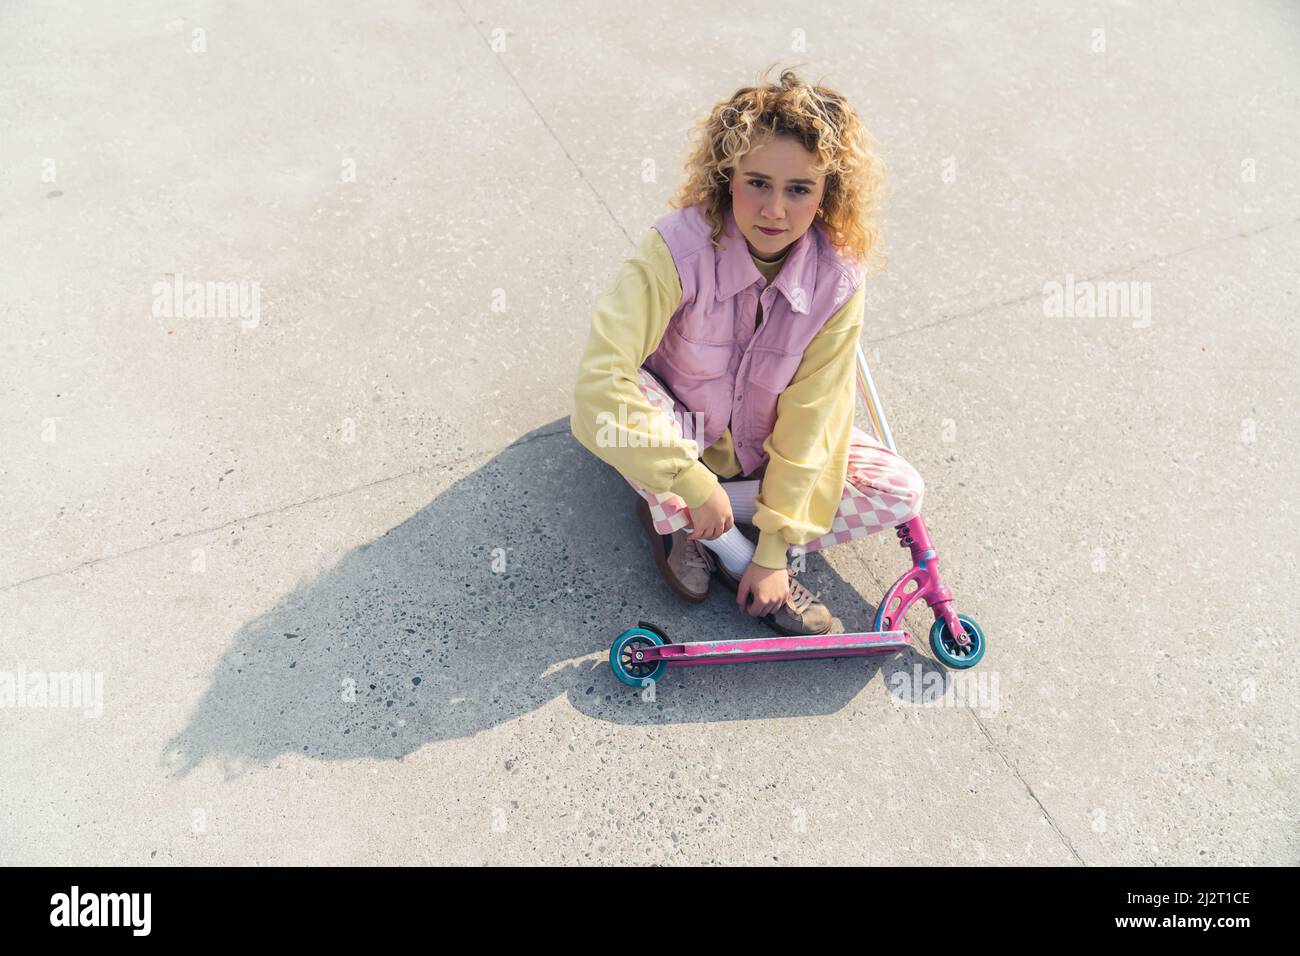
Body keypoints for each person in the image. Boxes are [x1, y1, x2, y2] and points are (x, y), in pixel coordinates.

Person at [571, 67, 926, 636]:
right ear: (727, 176)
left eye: (799, 190)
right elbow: (597, 386)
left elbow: (814, 420)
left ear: (826, 193)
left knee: (901, 489)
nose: (775, 211)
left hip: (761, 453)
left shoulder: (838, 282)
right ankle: (708, 528)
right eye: (757, 182)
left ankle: (689, 522)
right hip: (680, 433)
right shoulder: (675, 248)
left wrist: (774, 550)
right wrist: (693, 482)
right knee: (614, 402)